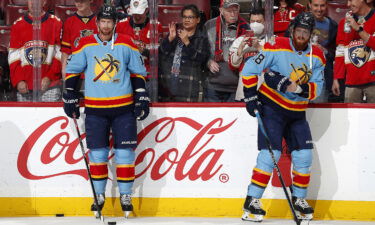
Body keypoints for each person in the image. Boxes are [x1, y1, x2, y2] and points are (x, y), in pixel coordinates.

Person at [62, 5, 149, 218]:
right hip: (95, 109)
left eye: (110, 22)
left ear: (115, 23)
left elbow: (138, 72)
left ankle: (125, 195)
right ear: (97, 22)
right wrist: (70, 93)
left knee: (125, 154)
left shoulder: (126, 42)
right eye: (103, 21)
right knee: (98, 154)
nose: (106, 25)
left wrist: (142, 96)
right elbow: (73, 70)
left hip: (123, 108)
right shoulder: (85, 43)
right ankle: (99, 195)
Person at [240, 12, 325, 222]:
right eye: (298, 31)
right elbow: (250, 69)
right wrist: (251, 97)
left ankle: (299, 200)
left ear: (310, 34)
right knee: (271, 155)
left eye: (306, 32)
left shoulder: (318, 56)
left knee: (304, 157)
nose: (301, 35)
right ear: (292, 30)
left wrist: (295, 87)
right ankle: (252, 201)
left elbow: (318, 89)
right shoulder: (276, 44)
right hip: (272, 108)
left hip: (297, 112)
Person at [8, 0, 63, 102]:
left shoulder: (56, 23)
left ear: (44, 2)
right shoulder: (17, 25)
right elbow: (13, 57)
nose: (33, 3)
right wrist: (19, 80)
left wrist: (50, 77)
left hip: (50, 86)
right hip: (25, 87)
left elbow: (60, 55)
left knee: (49, 117)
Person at [158, 4, 210, 102]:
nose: (186, 20)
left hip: (188, 87)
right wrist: (170, 39)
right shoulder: (174, 34)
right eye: (185, 17)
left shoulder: (201, 38)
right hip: (168, 85)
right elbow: (161, 53)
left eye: (190, 17)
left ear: (198, 20)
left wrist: (187, 43)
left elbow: (200, 61)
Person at [204, 0, 250, 102]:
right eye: (229, 11)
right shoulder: (209, 25)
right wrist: (208, 62)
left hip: (236, 86)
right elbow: (202, 50)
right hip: (213, 85)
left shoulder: (246, 28)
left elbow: (249, 56)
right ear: (221, 10)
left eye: (235, 10)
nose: (233, 14)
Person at [332, 0, 375, 103]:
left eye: (351, 0)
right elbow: (340, 52)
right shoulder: (344, 23)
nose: (348, 4)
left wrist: (358, 29)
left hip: (373, 82)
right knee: (350, 118)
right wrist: (336, 78)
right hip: (351, 83)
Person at [116, 0, 163, 92]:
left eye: (139, 13)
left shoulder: (156, 25)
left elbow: (159, 54)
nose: (136, 16)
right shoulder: (121, 25)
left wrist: (144, 51)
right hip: (126, 74)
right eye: (134, 13)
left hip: (148, 74)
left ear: (147, 10)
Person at [229, 8, 266, 101]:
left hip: (266, 92)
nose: (255, 24)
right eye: (252, 21)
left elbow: (277, 63)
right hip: (244, 91)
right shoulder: (240, 40)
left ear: (265, 22)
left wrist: (259, 47)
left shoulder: (273, 40)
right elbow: (233, 64)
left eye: (259, 21)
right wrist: (241, 48)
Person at [61, 0, 97, 84]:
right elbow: (65, 49)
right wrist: (64, 69)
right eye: (77, 1)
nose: (79, 4)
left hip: (95, 71)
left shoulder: (99, 21)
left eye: (82, 1)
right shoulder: (69, 22)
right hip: (75, 72)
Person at [308, 0, 338, 102]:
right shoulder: (298, 22)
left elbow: (337, 53)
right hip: (299, 74)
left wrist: (325, 51)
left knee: (318, 113)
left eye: (322, 6)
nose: (319, 9)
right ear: (309, 5)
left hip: (322, 76)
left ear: (327, 6)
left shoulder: (333, 25)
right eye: (316, 5)